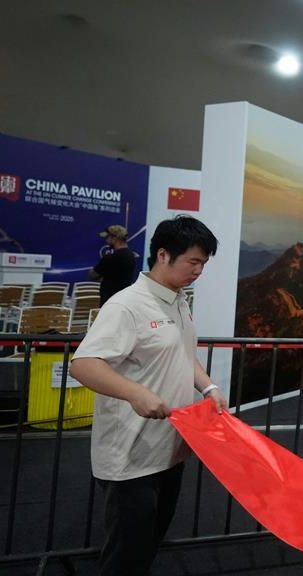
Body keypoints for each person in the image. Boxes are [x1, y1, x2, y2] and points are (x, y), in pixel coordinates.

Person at [70, 216, 227, 576]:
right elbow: (84, 365)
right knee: (126, 555)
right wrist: (136, 393)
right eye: (193, 262)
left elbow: (182, 355)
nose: (199, 271)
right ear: (163, 255)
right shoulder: (127, 305)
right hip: (130, 458)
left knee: (149, 544)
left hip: (170, 450)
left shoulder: (179, 301)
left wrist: (208, 387)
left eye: (203, 263)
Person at [88, 225, 138, 306]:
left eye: (108, 237)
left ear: (115, 238)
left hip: (109, 303)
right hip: (124, 302)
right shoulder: (131, 256)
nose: (106, 240)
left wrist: (101, 276)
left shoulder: (110, 258)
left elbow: (92, 275)